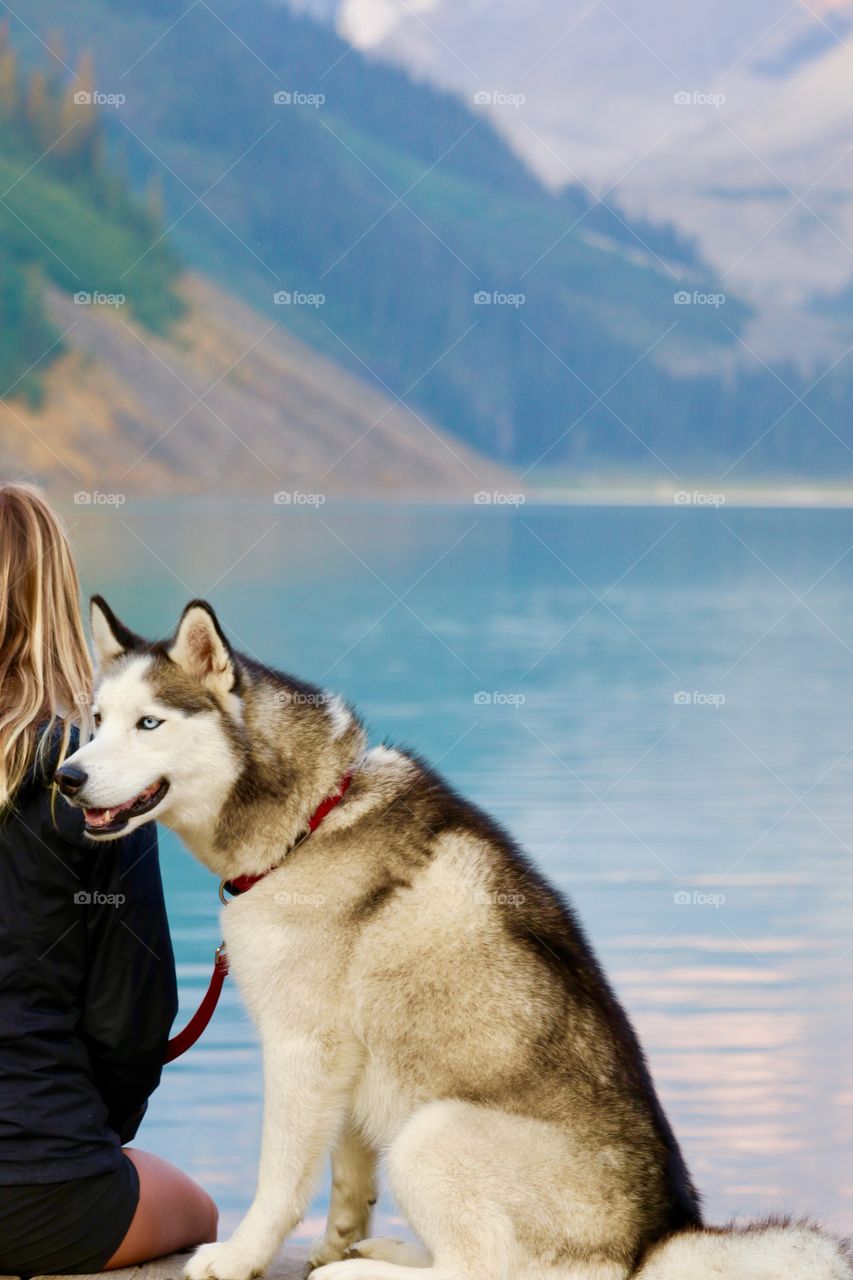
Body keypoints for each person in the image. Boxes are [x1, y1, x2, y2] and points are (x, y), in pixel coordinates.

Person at [0, 483, 217, 1273]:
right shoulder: (96, 782)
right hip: (36, 1192)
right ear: (51, 599)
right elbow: (132, 1016)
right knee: (204, 1216)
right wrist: (92, 1137)